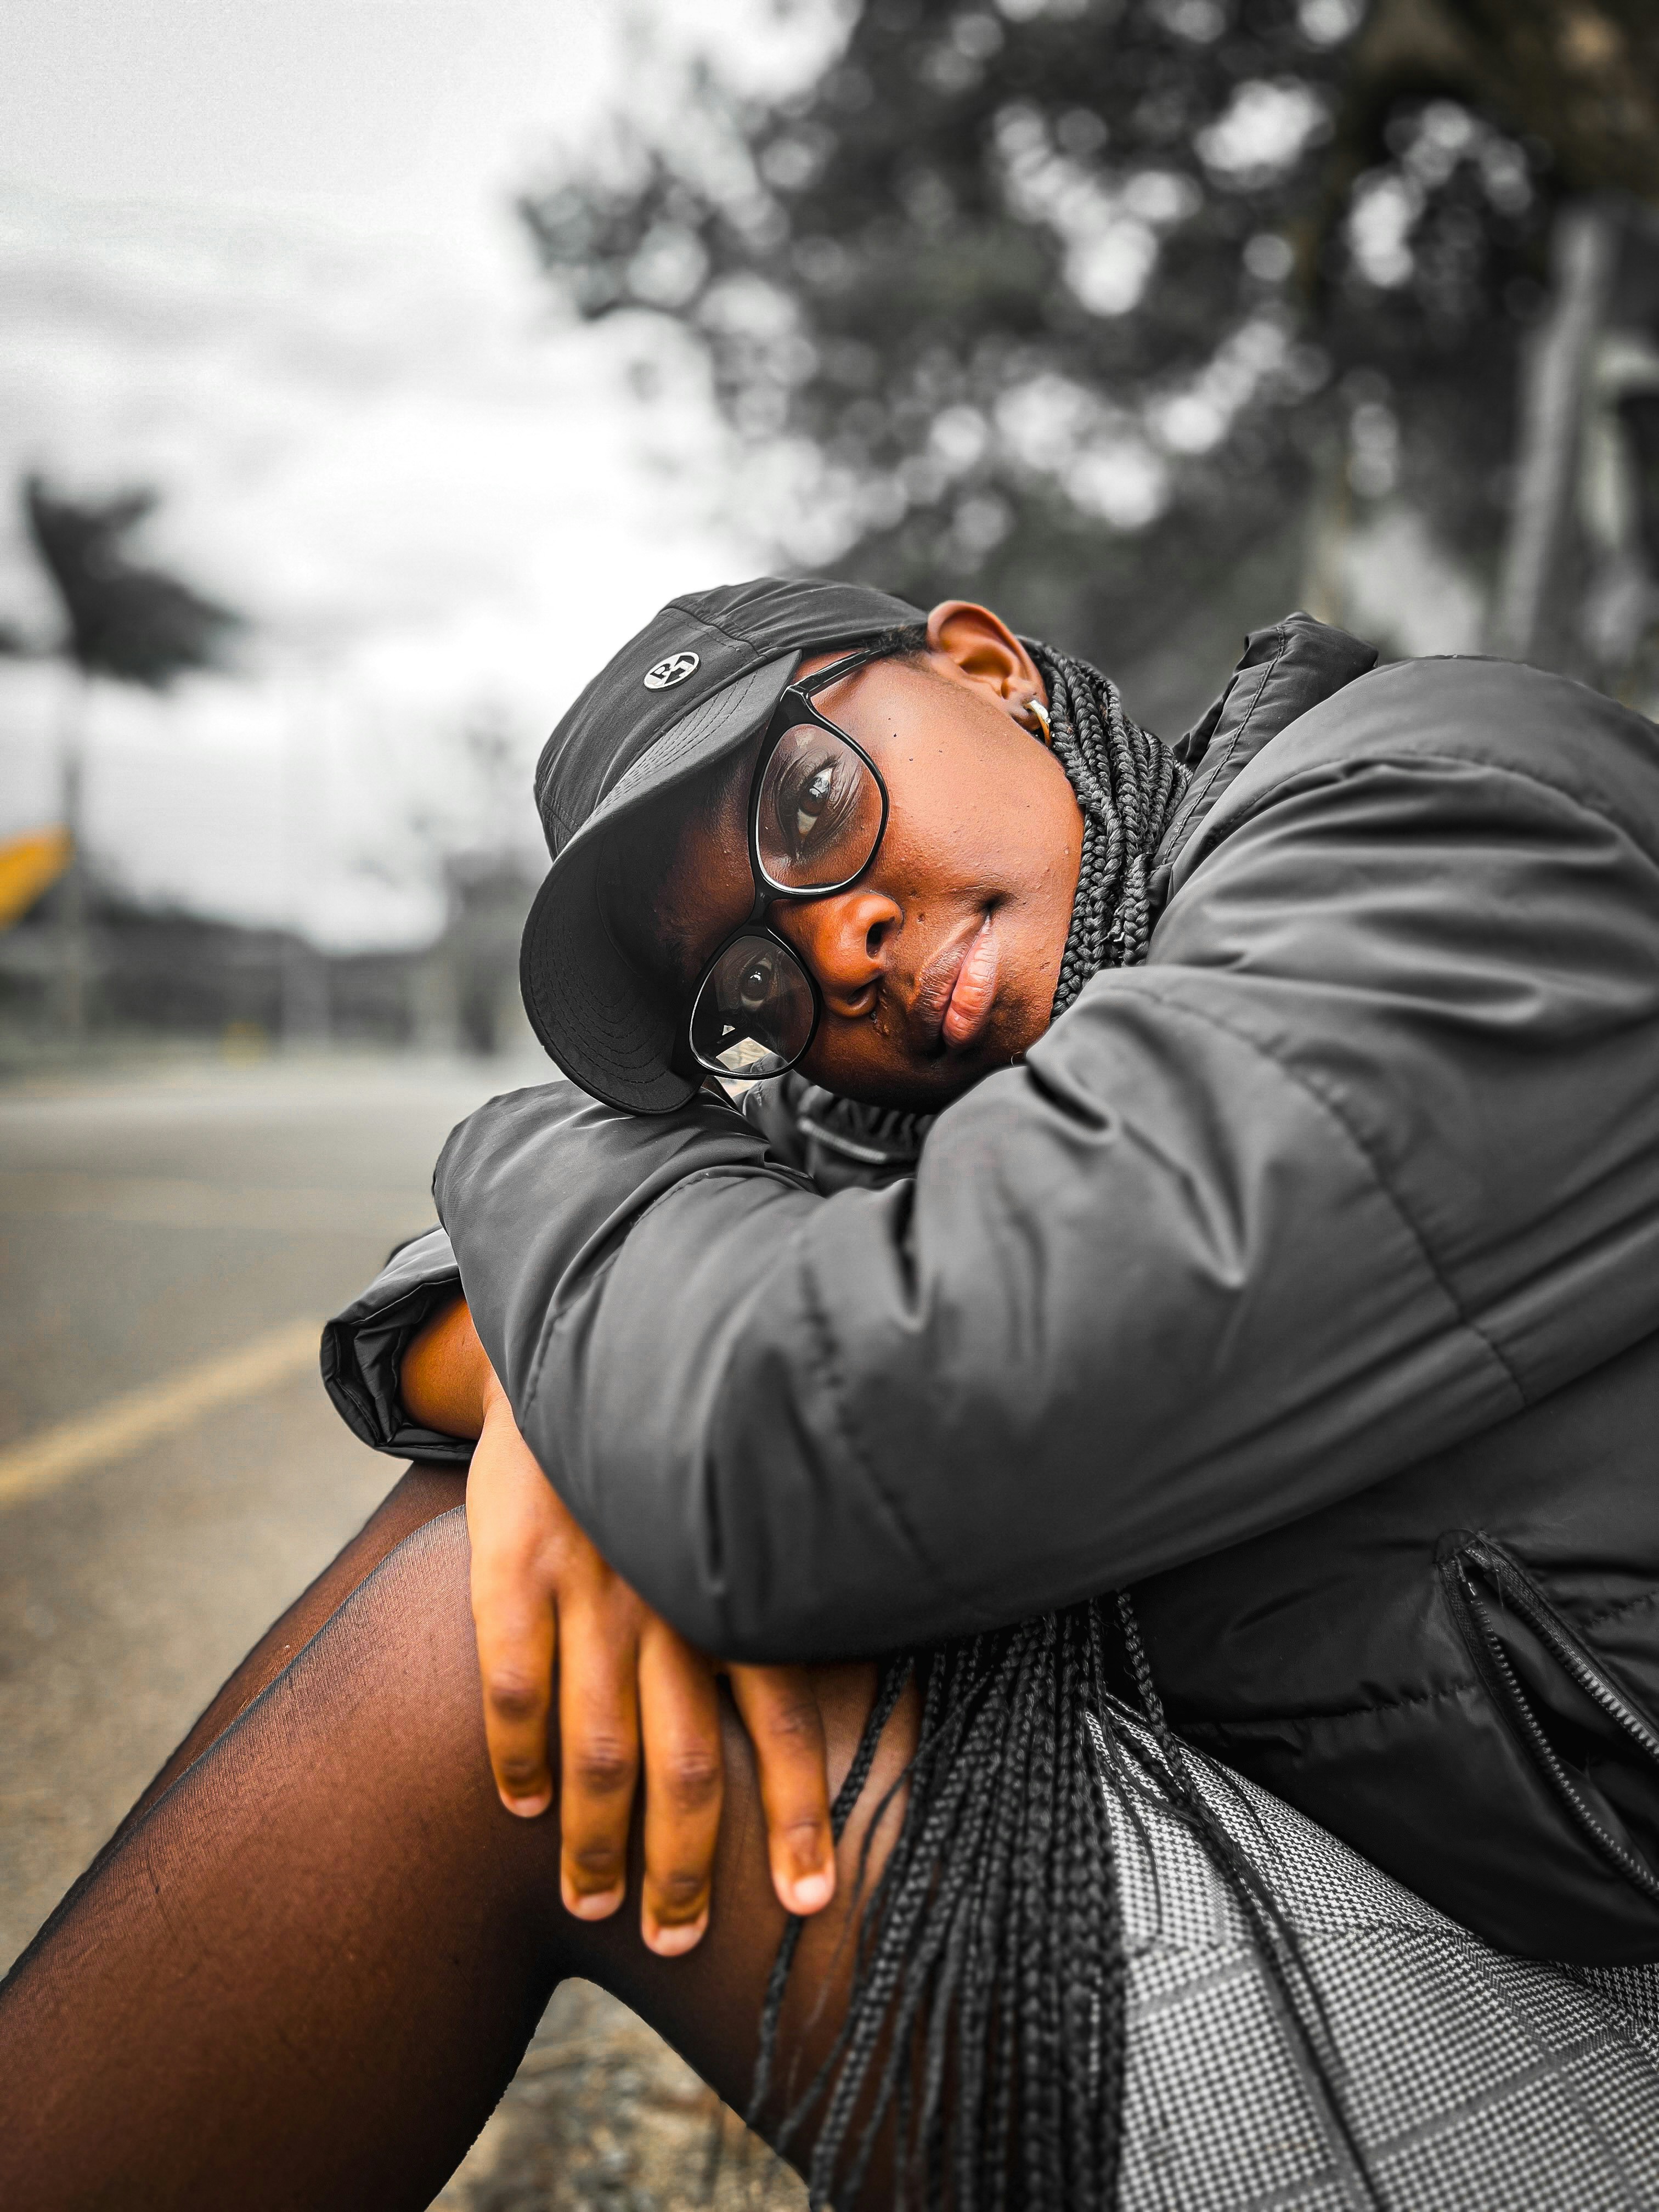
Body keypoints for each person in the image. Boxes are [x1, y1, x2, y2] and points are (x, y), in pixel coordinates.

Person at [4, 577, 1659, 2211]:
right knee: (489, 1529)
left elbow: (797, 1432)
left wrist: (521, 1149)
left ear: (986, 667)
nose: (833, 945)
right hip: (1477, 1900)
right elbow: (510, 1298)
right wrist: (534, 1384)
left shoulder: (1440, 815)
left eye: (807, 802)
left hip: (1608, 1997)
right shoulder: (986, 1094)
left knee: (475, 1662)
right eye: (745, 990)